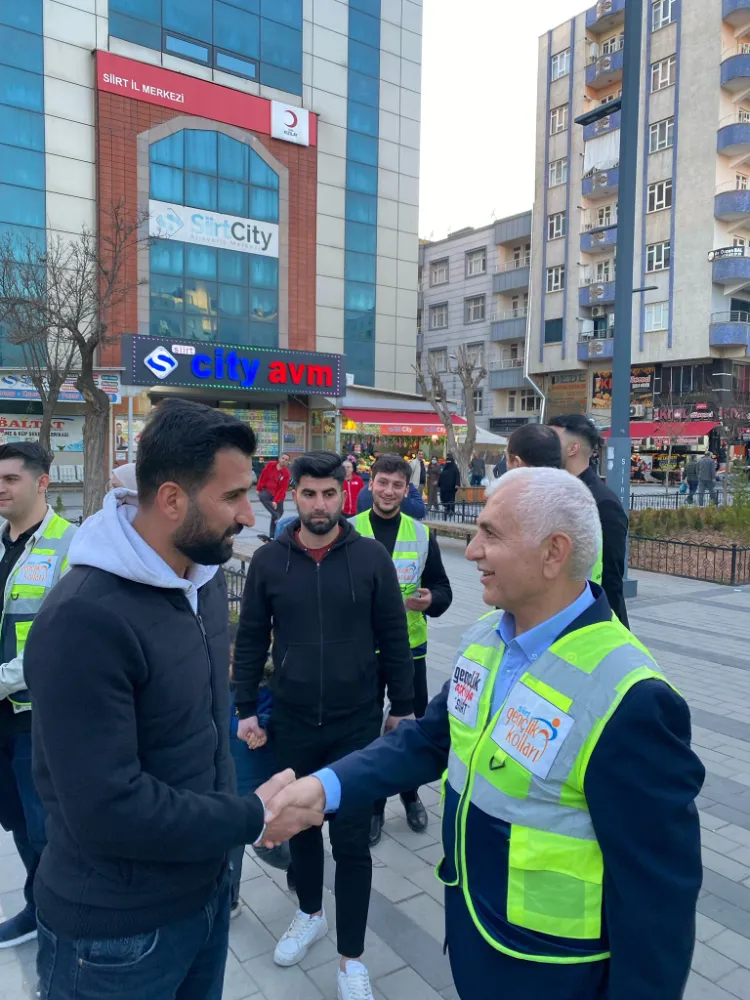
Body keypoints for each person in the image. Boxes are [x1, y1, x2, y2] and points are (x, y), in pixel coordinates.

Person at [266, 467, 705, 1000]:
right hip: (475, 939)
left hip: (555, 974)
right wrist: (324, 788)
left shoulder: (631, 695)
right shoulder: (485, 638)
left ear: (553, 553)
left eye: (490, 534)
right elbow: (431, 739)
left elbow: (657, 902)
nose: (471, 551)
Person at [24, 400, 321, 1000]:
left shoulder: (200, 579)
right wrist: (252, 817)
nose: (249, 514)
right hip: (115, 939)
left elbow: (201, 733)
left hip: (203, 898)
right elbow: (106, 809)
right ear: (171, 500)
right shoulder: (82, 619)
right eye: (232, 496)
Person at [232, 451, 414, 1000]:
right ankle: (310, 913)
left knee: (353, 842)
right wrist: (245, 707)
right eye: (308, 494)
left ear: (345, 494)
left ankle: (351, 958)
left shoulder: (371, 558)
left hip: (355, 724)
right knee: (303, 830)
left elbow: (395, 636)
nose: (319, 505)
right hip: (293, 721)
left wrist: (402, 706)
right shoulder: (270, 561)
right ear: (294, 495)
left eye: (329, 494)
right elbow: (250, 637)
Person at [351, 454, 452, 845]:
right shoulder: (350, 531)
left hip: (411, 652)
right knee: (368, 732)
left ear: (407, 489)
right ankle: (374, 804)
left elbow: (443, 589)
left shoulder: (421, 535)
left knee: (410, 729)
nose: (389, 491)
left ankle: (410, 795)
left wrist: (432, 600)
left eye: (397, 485)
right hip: (362, 651)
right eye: (383, 482)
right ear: (371, 483)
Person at [0, 443, 77, 949]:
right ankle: (37, 904)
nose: (1, 489)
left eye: (11, 479)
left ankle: (55, 919)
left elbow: (60, 641)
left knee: (43, 825)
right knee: (14, 821)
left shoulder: (68, 545)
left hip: (37, 718)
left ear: (42, 482)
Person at [549, 414, 629, 627]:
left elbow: (611, 580)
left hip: (593, 625)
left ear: (573, 448)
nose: (545, 445)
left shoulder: (602, 502)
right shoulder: (556, 492)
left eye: (553, 439)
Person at [257, 453, 291, 541]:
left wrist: (275, 501)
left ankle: (272, 537)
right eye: (283, 458)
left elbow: (282, 489)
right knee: (262, 496)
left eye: (286, 460)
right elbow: (263, 476)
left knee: (279, 513)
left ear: (287, 462)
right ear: (279, 458)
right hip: (268, 490)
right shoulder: (270, 465)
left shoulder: (286, 473)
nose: (284, 460)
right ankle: (275, 514)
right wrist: (258, 488)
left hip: (278, 495)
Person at [357, 478, 426, 520]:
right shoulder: (400, 494)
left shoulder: (363, 492)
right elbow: (420, 510)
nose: (388, 492)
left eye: (397, 485)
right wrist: (410, 483)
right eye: (383, 483)